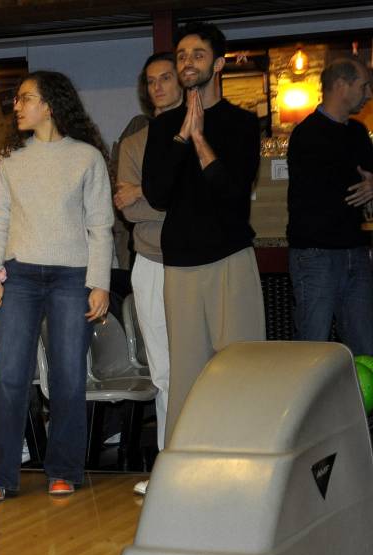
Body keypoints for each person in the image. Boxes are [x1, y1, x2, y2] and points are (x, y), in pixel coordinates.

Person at [0, 71, 114, 500]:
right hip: (19, 276)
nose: (17, 106)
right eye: (17, 99)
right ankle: (1, 476)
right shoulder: (8, 160)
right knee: (9, 376)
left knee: (68, 376)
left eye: (25, 98)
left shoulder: (87, 158)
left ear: (50, 104)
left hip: (72, 278)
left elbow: (100, 225)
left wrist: (99, 283)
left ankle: (64, 469)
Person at [142, 21, 265, 447]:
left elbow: (233, 192)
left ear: (218, 63)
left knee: (243, 366)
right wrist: (181, 135)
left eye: (197, 54)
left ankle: (248, 456)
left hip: (231, 257)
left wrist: (199, 139)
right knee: (187, 373)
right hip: (180, 264)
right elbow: (157, 194)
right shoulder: (163, 128)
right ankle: (184, 463)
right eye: (181, 56)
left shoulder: (242, 123)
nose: (187, 62)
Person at [113, 52, 183, 495]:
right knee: (162, 369)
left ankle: (203, 459)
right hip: (151, 263)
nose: (158, 87)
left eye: (166, 78)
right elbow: (130, 209)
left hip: (199, 263)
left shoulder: (198, 133)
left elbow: (207, 200)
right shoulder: (134, 143)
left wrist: (149, 192)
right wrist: (168, 199)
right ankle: (168, 466)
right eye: (151, 80)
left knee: (205, 367)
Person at [287, 57, 373, 355]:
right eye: (364, 86)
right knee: (313, 347)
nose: (369, 94)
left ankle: (359, 390)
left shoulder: (358, 132)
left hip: (356, 251)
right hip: (316, 255)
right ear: (341, 85)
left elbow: (366, 180)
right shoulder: (307, 134)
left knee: (365, 348)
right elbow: (323, 191)